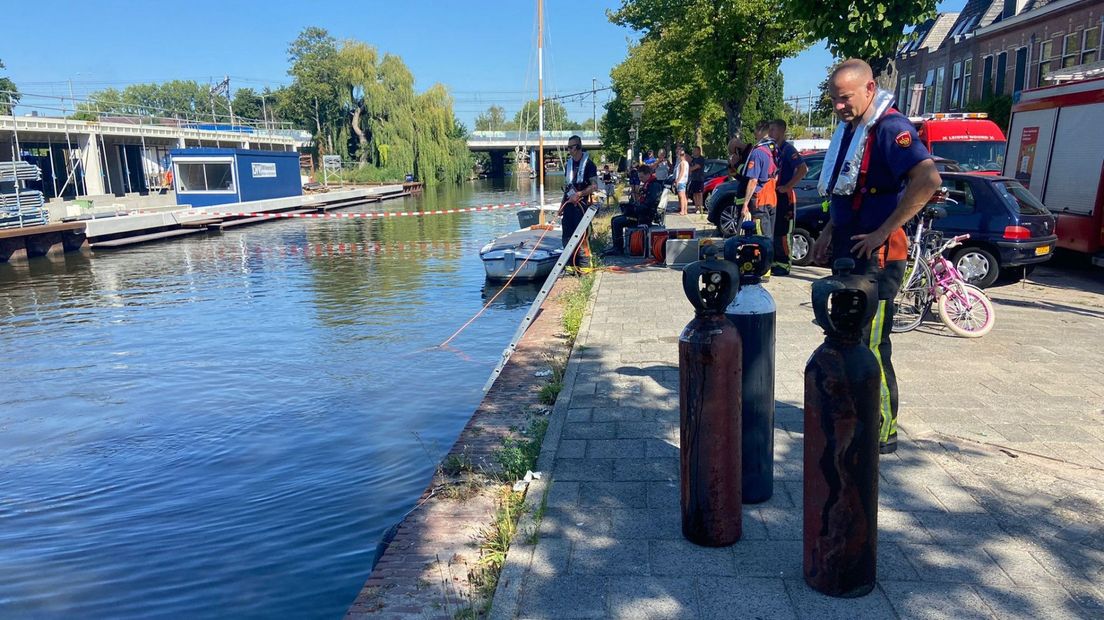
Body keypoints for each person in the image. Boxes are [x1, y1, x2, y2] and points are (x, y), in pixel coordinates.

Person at [810, 58, 941, 454]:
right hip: (850, 252)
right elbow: (849, 190)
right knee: (846, 338)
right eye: (833, 100)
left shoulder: (891, 128)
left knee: (871, 343)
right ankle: (853, 414)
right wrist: (828, 232)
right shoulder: (852, 130)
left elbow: (928, 180)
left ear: (870, 89)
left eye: (845, 98)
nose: (838, 107)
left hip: (879, 259)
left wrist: (885, 230)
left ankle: (881, 430)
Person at [768, 119, 809, 276]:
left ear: (781, 131)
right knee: (774, 230)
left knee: (784, 232)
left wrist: (788, 186)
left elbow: (803, 168)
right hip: (773, 196)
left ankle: (784, 264)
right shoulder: (773, 150)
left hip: (785, 197)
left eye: (773, 130)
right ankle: (774, 261)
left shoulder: (788, 149)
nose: (770, 133)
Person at [560, 134, 600, 268]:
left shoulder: (589, 165)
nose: (569, 150)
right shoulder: (568, 165)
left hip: (582, 205)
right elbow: (567, 187)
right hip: (569, 205)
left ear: (578, 147)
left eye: (571, 147)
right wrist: (561, 205)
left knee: (581, 236)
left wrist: (580, 194)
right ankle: (571, 265)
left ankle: (585, 266)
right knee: (567, 235)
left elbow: (594, 186)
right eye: (568, 147)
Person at [605, 164, 662, 256]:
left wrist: (634, 209)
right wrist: (631, 206)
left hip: (644, 218)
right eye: (639, 177)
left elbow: (649, 204)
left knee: (617, 222)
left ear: (648, 174)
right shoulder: (648, 184)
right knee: (614, 219)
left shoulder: (654, 186)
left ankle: (618, 249)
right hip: (641, 213)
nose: (640, 179)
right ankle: (616, 246)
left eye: (642, 177)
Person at [741, 121, 780, 247]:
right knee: (770, 235)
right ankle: (768, 262)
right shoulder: (774, 149)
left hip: (760, 198)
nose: (754, 135)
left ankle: (763, 265)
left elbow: (753, 180)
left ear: (759, 131)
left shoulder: (758, 152)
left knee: (761, 237)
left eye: (754, 131)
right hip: (772, 197)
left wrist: (745, 204)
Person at [688, 146, 706, 213]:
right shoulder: (693, 159)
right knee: (695, 194)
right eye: (693, 150)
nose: (693, 152)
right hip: (693, 178)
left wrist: (689, 169)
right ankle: (696, 208)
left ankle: (700, 208)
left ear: (699, 151)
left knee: (699, 193)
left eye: (695, 150)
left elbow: (696, 167)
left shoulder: (701, 159)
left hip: (699, 178)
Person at [675, 148, 691, 216]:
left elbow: (681, 172)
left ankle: (682, 210)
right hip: (684, 181)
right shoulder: (686, 163)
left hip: (681, 181)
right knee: (684, 196)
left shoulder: (682, 163)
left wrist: (677, 180)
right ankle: (685, 210)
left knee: (681, 196)